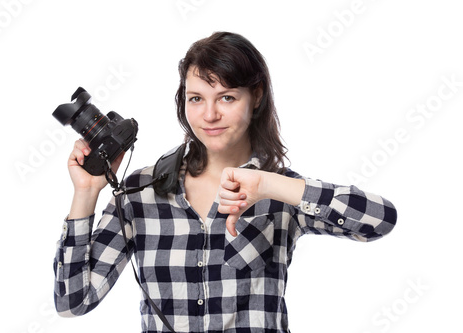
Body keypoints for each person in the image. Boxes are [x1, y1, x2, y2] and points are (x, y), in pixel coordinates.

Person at [53, 31, 397, 333]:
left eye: (227, 97)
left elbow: (380, 221)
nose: (210, 115)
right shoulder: (139, 192)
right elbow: (72, 302)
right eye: (197, 98)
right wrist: (86, 194)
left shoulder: (280, 190)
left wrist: (271, 186)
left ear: (256, 97)